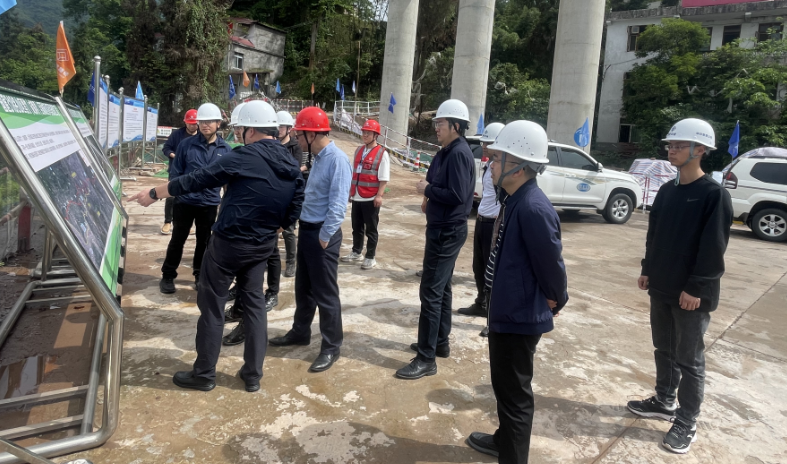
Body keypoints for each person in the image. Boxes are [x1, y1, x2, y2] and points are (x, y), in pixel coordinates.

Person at [130, 100, 305, 392]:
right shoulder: (290, 164)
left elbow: (197, 179)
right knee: (255, 306)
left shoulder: (242, 156)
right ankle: (252, 375)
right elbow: (294, 207)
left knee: (212, 307)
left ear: (251, 130)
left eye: (240, 129)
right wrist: (271, 230)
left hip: (228, 245)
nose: (238, 134)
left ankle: (204, 374)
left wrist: (155, 192)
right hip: (262, 246)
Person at [465, 120, 568, 463]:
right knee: (504, 386)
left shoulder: (533, 207)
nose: (490, 164)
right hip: (507, 309)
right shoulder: (514, 199)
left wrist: (556, 298)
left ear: (519, 166)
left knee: (515, 396)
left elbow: (551, 264)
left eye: (497, 158)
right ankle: (503, 440)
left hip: (519, 316)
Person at [627, 118, 732, 454]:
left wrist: (696, 288)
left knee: (690, 360)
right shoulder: (668, 191)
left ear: (699, 150)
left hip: (691, 294)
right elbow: (655, 235)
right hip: (662, 285)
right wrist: (648, 269)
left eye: (678, 145)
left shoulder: (713, 195)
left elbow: (713, 248)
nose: (670, 150)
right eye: (669, 145)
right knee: (664, 349)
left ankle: (687, 420)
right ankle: (664, 400)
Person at [269, 106, 351, 373]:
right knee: (303, 288)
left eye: (300, 134)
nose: (297, 138)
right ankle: (300, 332)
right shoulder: (318, 157)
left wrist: (325, 237)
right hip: (308, 230)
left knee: (326, 293)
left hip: (322, 235)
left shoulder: (337, 160)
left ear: (312, 134)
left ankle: (331, 347)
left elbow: (338, 205)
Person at [397, 99, 475, 380]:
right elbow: (437, 182)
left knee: (430, 291)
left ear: (456, 126)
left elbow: (457, 195)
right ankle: (439, 342)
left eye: (440, 123)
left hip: (448, 230)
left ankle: (426, 358)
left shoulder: (459, 154)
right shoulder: (445, 152)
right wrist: (428, 195)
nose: (436, 127)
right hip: (440, 227)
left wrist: (428, 190)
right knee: (442, 288)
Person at [159, 103, 232, 294]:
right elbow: (176, 174)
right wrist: (175, 194)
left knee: (204, 242)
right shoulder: (186, 145)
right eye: (202, 121)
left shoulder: (225, 150)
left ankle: (200, 275)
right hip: (185, 202)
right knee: (177, 239)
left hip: (209, 204)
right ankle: (168, 275)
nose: (205, 125)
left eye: (210, 121)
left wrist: (226, 205)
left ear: (218, 123)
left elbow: (227, 181)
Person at [457, 122, 505, 338]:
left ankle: (493, 318)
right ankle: (481, 303)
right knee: (478, 266)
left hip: (494, 223)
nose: (483, 146)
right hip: (482, 220)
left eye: (488, 143)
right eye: (483, 142)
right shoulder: (488, 165)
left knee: (491, 271)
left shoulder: (502, 168)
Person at [341, 119, 390, 270]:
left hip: (371, 197)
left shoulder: (382, 153)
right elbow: (354, 173)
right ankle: (356, 252)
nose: (365, 135)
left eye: (368, 133)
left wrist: (379, 196)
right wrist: (350, 192)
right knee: (356, 227)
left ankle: (370, 256)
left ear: (376, 135)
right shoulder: (359, 150)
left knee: (371, 229)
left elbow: (384, 178)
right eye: (364, 132)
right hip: (357, 195)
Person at [160, 109, 198, 235]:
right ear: (185, 122)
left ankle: (186, 223)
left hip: (192, 172)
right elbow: (166, 148)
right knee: (171, 195)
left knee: (189, 198)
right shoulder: (177, 135)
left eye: (195, 124)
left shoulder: (201, 136)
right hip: (176, 171)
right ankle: (167, 222)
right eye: (190, 123)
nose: (192, 126)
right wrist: (174, 156)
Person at [277, 110, 303, 278]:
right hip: (274, 193)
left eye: (282, 126)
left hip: (289, 193)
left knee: (288, 231)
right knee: (271, 230)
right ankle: (270, 261)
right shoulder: (272, 144)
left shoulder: (296, 147)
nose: (279, 129)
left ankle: (291, 262)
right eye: (277, 126)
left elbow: (295, 168)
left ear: (289, 129)